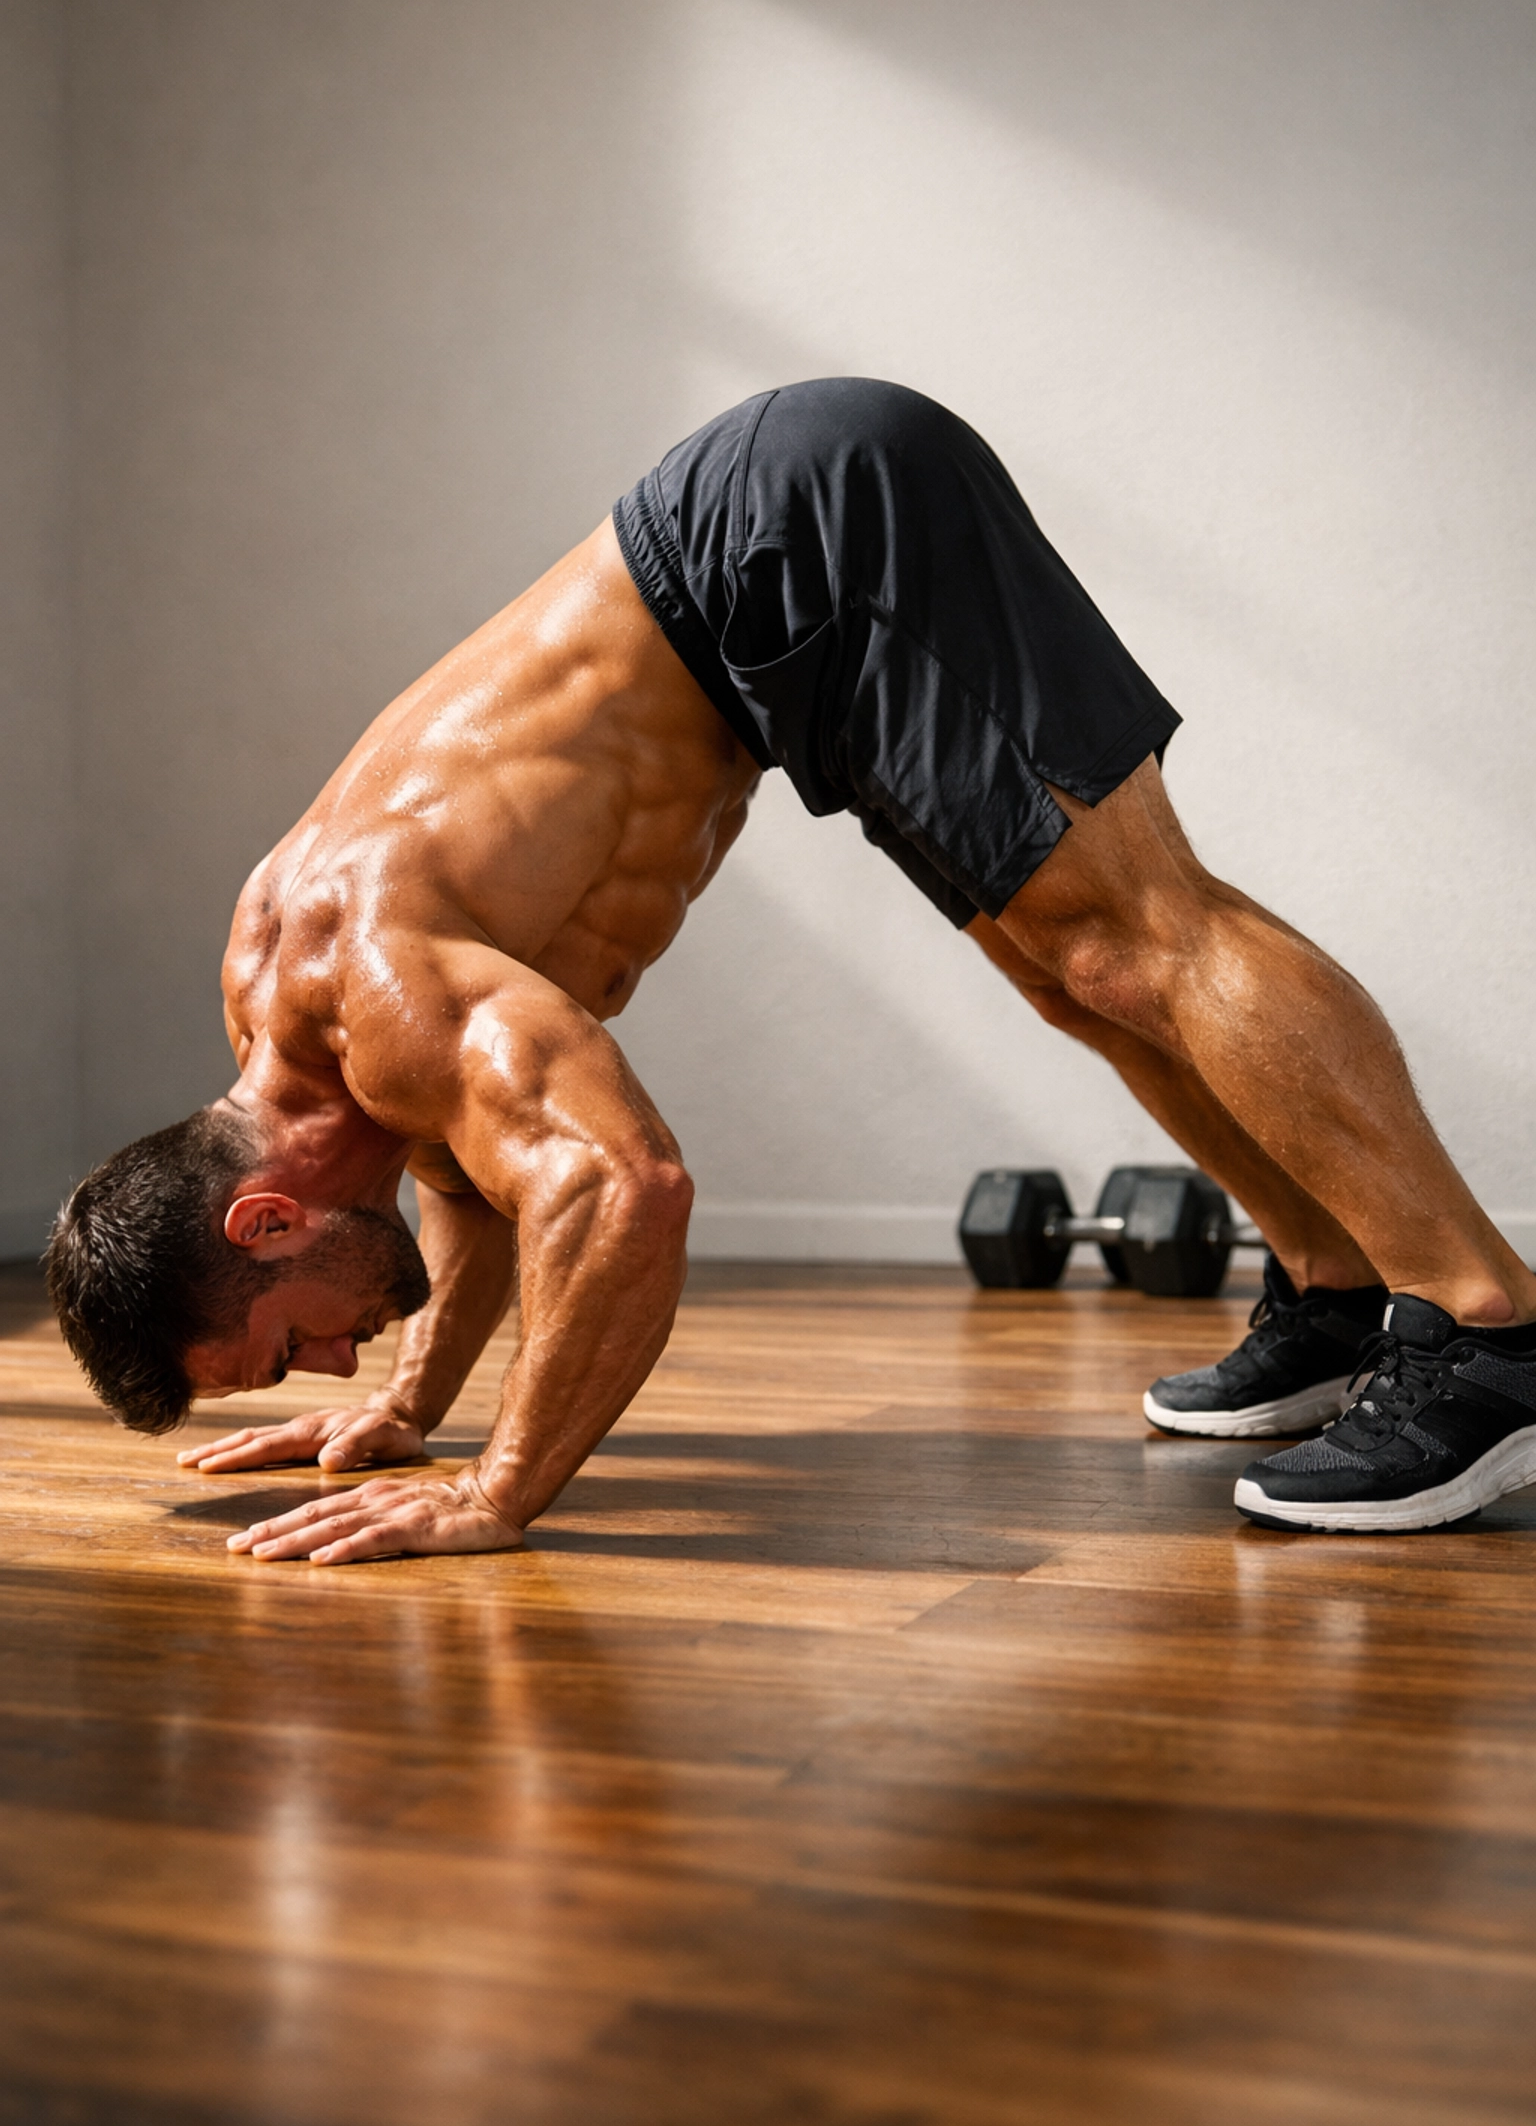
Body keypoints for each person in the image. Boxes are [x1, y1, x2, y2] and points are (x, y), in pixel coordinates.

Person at [45, 380, 1536, 1558]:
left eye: (284, 1345)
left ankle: (1488, 1331)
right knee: (1067, 972)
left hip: (795, 531)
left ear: (265, 1213)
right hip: (759, 612)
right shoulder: (318, 1043)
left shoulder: (369, 987)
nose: (323, 1359)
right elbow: (473, 1171)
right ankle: (1334, 1295)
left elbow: (619, 1188)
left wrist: (497, 1490)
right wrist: (407, 1407)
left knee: (1132, 933)